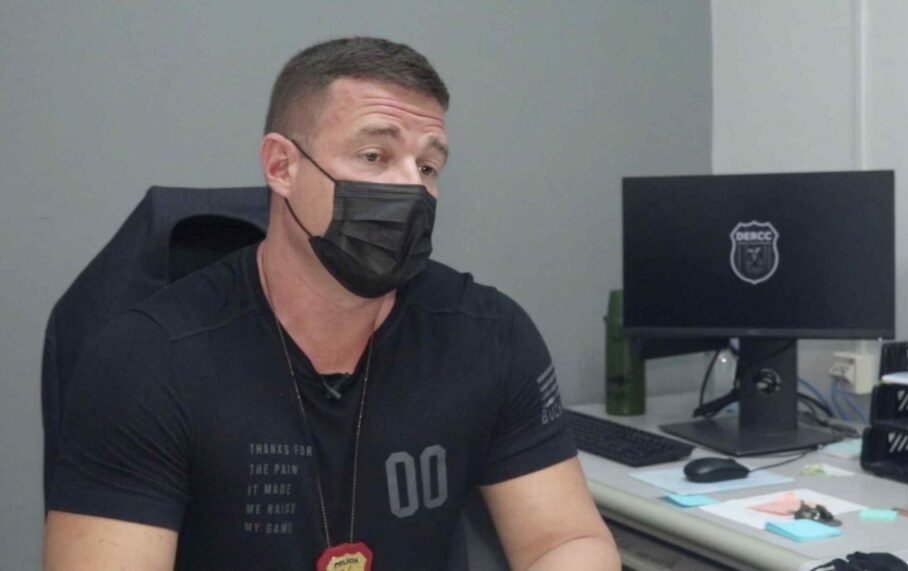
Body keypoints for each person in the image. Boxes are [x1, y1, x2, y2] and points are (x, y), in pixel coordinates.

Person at [43, 37, 619, 570]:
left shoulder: (489, 335)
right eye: (373, 156)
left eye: (427, 167)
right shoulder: (147, 360)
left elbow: (566, 540)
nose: (410, 188)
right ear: (282, 166)